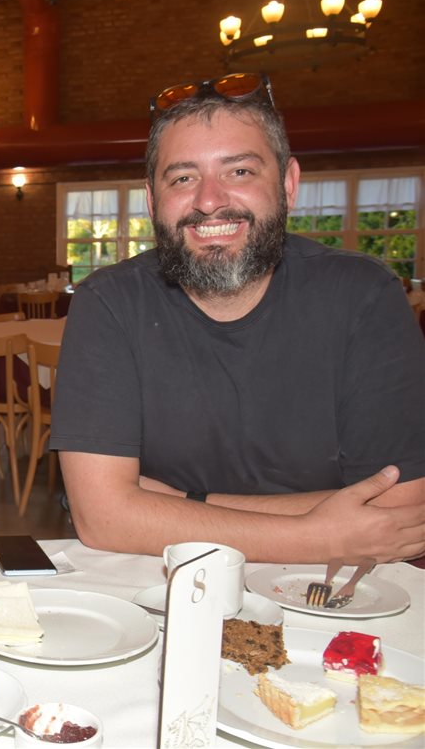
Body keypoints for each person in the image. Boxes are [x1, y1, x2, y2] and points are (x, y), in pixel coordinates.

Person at [50, 73, 425, 565]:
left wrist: (185, 504)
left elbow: (402, 509)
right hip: (170, 588)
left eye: (239, 172)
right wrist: (321, 535)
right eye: (183, 178)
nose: (209, 200)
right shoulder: (109, 301)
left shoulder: (364, 295)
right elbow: (103, 519)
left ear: (288, 184)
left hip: (344, 593)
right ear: (152, 200)